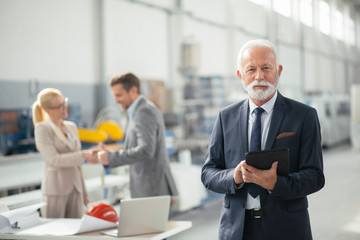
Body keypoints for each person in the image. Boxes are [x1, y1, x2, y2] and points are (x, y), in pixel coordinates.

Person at [201, 39, 325, 240]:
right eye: (251, 70)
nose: (259, 76)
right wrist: (234, 177)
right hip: (236, 230)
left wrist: (276, 182)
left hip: (287, 229)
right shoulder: (226, 117)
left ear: (279, 71)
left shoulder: (304, 116)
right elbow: (208, 173)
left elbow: (315, 176)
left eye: (266, 68)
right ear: (240, 75)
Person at [96, 72, 178, 199]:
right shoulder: (137, 111)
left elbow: (146, 150)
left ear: (133, 91)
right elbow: (138, 146)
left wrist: (111, 157)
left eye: (119, 95)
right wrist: (110, 152)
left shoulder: (144, 111)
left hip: (152, 189)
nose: (116, 100)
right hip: (150, 188)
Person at [32, 88, 95, 218]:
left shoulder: (71, 126)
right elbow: (53, 159)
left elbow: (78, 165)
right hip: (56, 189)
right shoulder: (42, 128)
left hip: (76, 188)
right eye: (59, 106)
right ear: (48, 110)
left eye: (64, 102)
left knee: (75, 233)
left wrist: (84, 191)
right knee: (54, 233)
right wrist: (82, 155)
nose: (65, 107)